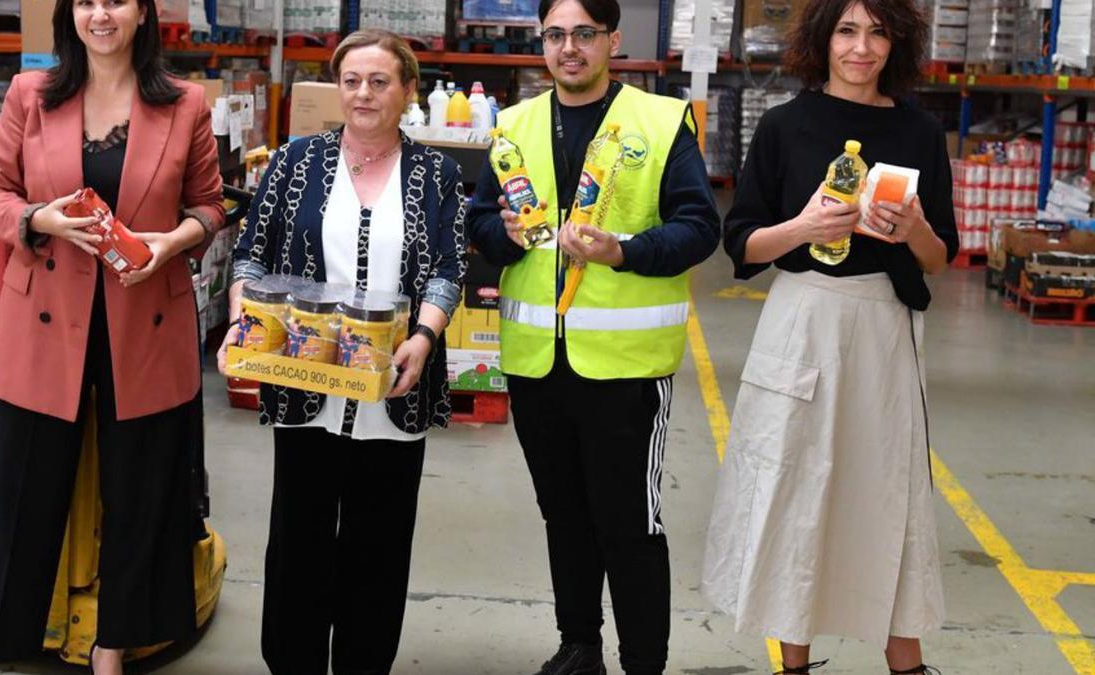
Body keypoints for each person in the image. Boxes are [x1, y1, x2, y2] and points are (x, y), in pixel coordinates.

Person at [0, 0, 224, 672]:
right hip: (44, 322)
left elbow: (210, 205)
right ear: (71, 14)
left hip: (145, 319)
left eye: (117, 1)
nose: (102, 15)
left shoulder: (185, 104)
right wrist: (41, 218)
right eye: (88, 2)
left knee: (140, 496)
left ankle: (112, 645)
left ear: (142, 13)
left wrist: (172, 242)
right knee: (13, 497)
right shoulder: (30, 95)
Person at [700, 1, 958, 674]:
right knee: (795, 484)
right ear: (822, 39)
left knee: (889, 493)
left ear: (896, 43)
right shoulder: (787, 127)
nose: (862, 47)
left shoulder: (920, 131)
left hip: (885, 328)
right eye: (847, 29)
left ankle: (907, 661)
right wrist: (805, 230)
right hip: (805, 319)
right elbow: (744, 242)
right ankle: (795, 662)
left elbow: (940, 256)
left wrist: (915, 231)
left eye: (877, 32)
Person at [466, 0, 720, 672]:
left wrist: (622, 250)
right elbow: (479, 224)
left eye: (584, 34)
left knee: (629, 524)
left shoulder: (661, 122)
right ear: (541, 43)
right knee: (564, 515)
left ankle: (643, 661)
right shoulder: (513, 126)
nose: (569, 48)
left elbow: (700, 227)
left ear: (612, 40)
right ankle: (579, 644)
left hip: (625, 367)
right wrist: (506, 235)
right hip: (535, 361)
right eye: (555, 34)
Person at [217, 29, 467, 675]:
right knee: (298, 541)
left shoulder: (435, 172)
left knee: (378, 547)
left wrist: (424, 336)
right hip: (303, 381)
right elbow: (250, 250)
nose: (363, 93)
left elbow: (448, 264)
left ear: (407, 91)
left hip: (393, 386)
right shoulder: (297, 160)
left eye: (379, 81)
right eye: (352, 80)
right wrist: (245, 315)